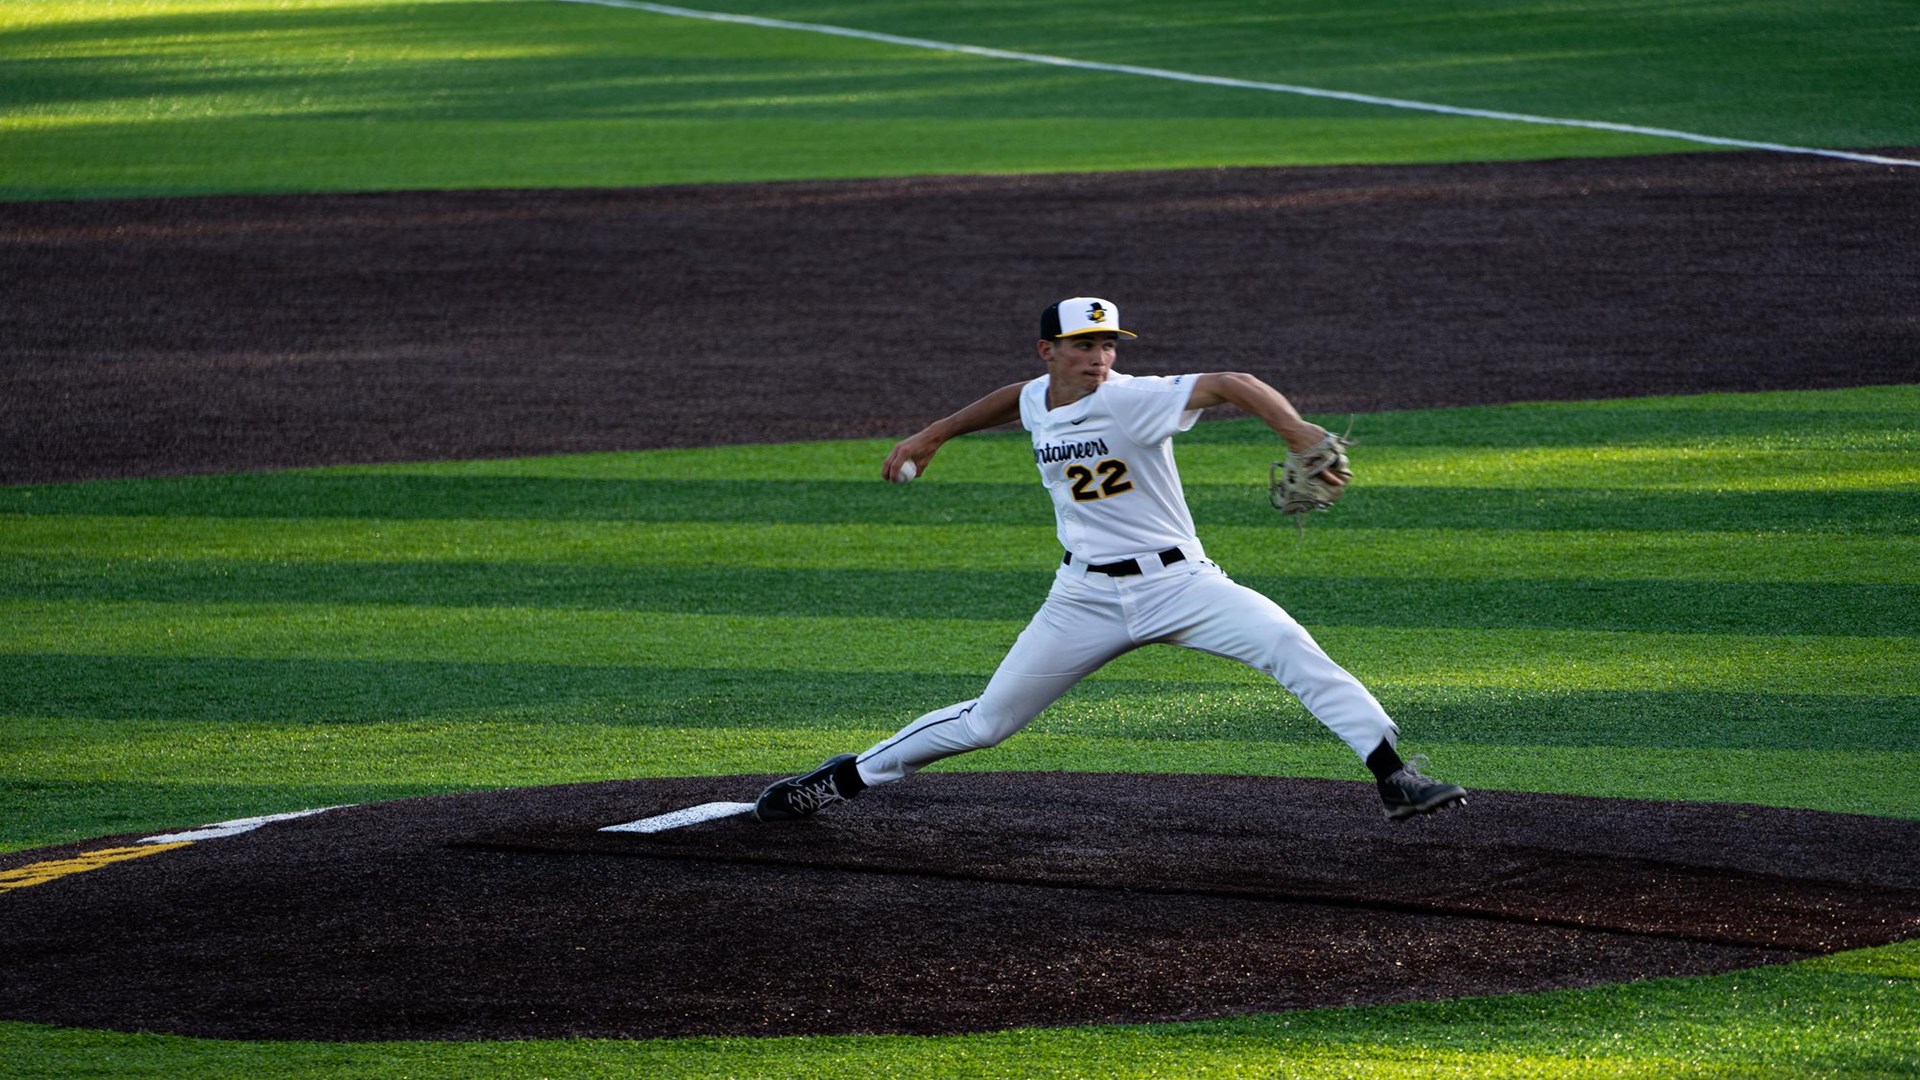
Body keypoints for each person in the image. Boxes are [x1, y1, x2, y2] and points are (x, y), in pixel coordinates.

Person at [755, 297, 1465, 823]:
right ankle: (841, 780)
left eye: (1107, 343)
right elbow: (1016, 403)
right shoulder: (1039, 397)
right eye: (1083, 344)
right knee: (986, 724)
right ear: (1047, 351)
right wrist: (935, 434)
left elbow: (1232, 382)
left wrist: (1295, 429)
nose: (1099, 356)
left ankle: (1394, 776)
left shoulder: (1136, 401)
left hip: (1183, 584)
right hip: (1083, 599)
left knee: (1289, 646)